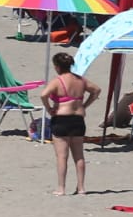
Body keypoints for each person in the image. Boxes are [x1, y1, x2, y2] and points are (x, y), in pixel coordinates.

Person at [40, 50, 101, 196]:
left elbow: (43, 95)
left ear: (57, 66)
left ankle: (61, 188)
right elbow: (97, 90)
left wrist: (49, 108)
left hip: (61, 119)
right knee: (79, 155)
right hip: (78, 119)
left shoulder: (57, 81)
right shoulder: (80, 80)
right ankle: (81, 188)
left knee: (62, 156)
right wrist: (85, 105)